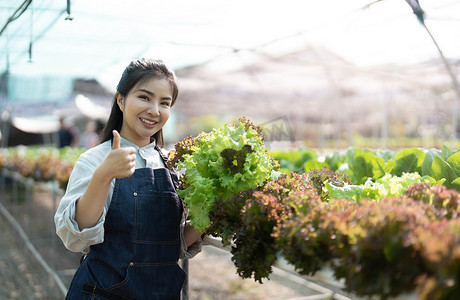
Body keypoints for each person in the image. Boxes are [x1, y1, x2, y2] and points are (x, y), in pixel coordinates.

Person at [55, 58, 203, 300]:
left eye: (164, 103)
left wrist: (211, 213)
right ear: (121, 100)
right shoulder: (94, 159)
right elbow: (75, 237)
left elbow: (173, 247)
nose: (155, 110)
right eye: (144, 97)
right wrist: (103, 176)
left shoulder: (174, 164)